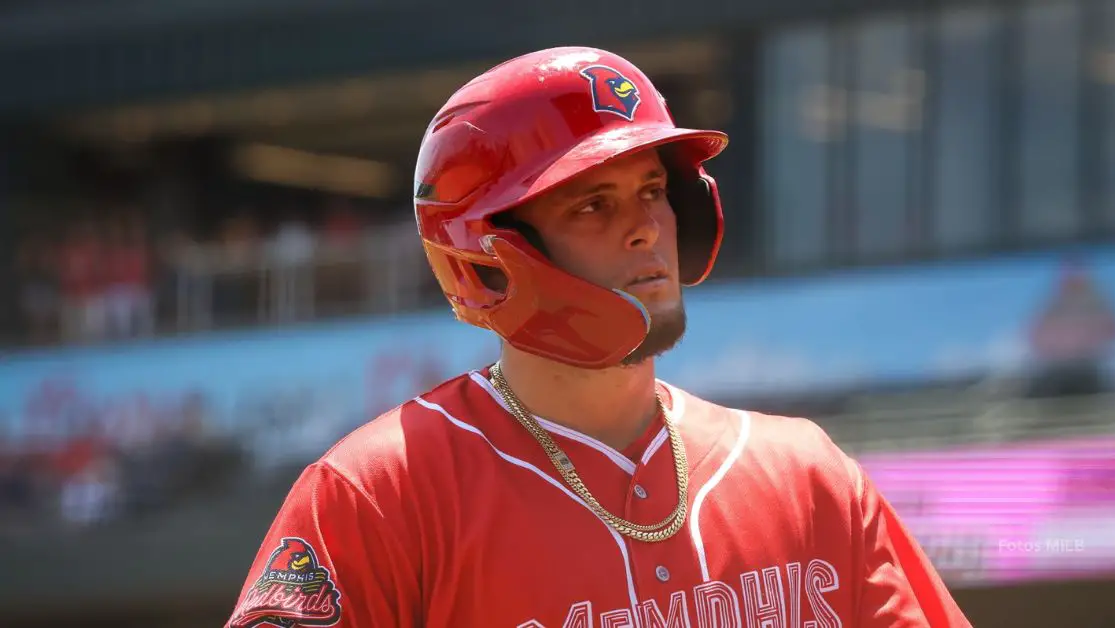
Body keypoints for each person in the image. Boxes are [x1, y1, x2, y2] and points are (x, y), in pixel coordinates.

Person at [225, 46, 972, 628]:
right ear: (488, 255)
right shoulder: (377, 498)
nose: (645, 225)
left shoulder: (807, 480)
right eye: (592, 204)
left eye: (652, 190)